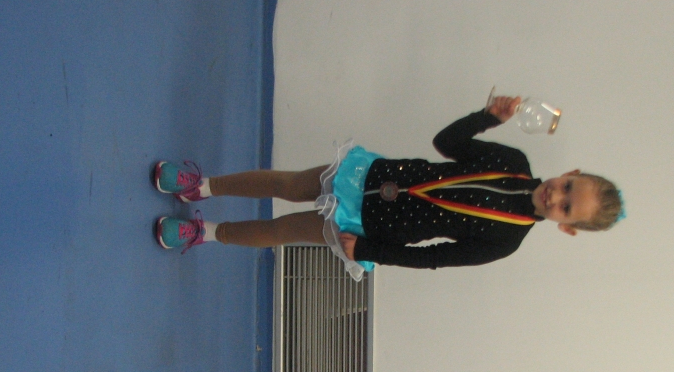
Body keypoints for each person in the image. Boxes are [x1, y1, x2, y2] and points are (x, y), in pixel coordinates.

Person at [152, 94, 623, 279]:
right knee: (287, 182)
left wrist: (369, 251)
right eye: (567, 187)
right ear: (570, 172)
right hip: (376, 177)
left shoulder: (506, 239)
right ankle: (201, 187)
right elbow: (446, 143)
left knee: (284, 231)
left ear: (566, 227)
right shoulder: (513, 163)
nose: (556, 196)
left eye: (566, 208)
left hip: (371, 225)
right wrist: (486, 118)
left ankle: (205, 233)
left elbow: (436, 257)